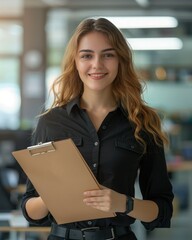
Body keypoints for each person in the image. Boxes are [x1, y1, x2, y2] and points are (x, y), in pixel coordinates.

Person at [21, 17, 174, 240]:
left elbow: (162, 210)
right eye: (87, 55)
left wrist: (124, 203)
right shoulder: (50, 122)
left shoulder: (143, 122)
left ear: (120, 60)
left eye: (108, 55)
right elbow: (29, 208)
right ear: (75, 61)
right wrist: (51, 197)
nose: (97, 65)